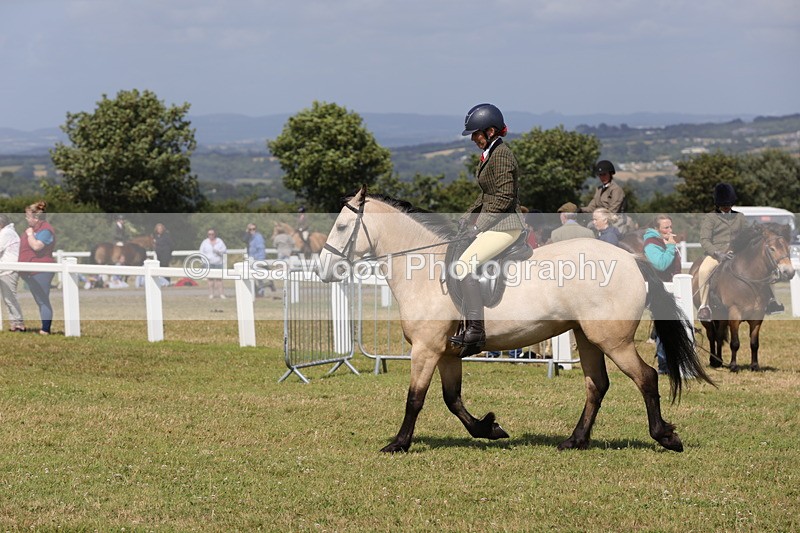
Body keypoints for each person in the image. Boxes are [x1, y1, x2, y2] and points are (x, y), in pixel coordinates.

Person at [448, 103, 526, 358]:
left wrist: (478, 226)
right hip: (494, 223)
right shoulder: (491, 153)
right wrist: (464, 220)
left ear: (490, 131)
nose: (473, 138)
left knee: (464, 266)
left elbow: (503, 197)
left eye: (476, 133)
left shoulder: (502, 155)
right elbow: (486, 196)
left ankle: (476, 330)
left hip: (505, 226)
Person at [643, 214, 682, 373]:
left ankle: (669, 363)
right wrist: (671, 247)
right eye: (666, 228)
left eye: (670, 227)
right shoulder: (651, 244)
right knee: (664, 329)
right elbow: (661, 264)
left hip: (670, 289)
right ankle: (664, 364)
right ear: (656, 229)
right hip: (660, 292)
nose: (670, 230)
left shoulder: (662, 241)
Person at [19, 201, 56, 335]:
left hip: (41, 270)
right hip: (30, 270)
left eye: (28, 216)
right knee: (39, 299)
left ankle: (45, 329)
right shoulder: (34, 229)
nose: (26, 219)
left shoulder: (45, 230)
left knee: (42, 300)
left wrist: (30, 235)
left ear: (36, 217)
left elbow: (36, 246)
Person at [0, 214, 25, 332]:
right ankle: (14, 324)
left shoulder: (6, 233)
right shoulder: (7, 232)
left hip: (8, 270)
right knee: (8, 299)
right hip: (6, 269)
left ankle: (19, 324)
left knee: (10, 299)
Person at [243, 223, 272, 296]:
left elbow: (261, 249)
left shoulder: (258, 237)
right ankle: (254, 291)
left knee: (259, 276)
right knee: (251, 276)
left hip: (257, 259)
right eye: (250, 229)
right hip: (250, 258)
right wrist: (247, 232)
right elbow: (244, 240)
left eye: (253, 229)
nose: (252, 231)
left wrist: (260, 260)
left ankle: (261, 291)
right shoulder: (248, 237)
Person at [199, 228, 227, 299]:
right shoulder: (205, 242)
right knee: (210, 279)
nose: (210, 235)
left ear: (215, 234)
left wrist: (218, 251)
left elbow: (224, 250)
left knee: (219, 279)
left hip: (218, 262)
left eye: (212, 234)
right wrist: (204, 261)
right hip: (209, 263)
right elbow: (201, 252)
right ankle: (211, 294)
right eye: (209, 234)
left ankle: (221, 294)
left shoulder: (219, 241)